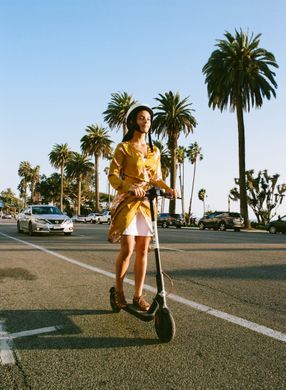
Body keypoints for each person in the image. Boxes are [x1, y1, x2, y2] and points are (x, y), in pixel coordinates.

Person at [108, 103, 176, 311]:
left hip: (146, 205)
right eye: (141, 118)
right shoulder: (124, 148)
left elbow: (156, 177)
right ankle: (118, 292)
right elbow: (112, 175)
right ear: (132, 121)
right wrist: (129, 187)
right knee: (128, 249)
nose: (145, 121)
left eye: (148, 118)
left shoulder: (155, 151)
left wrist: (169, 189)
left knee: (143, 250)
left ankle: (138, 296)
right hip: (128, 203)